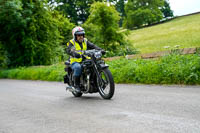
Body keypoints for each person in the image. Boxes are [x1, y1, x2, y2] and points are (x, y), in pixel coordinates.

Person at [66, 26, 105, 93]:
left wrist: (101, 50)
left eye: (82, 35)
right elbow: (68, 50)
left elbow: (93, 46)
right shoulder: (72, 42)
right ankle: (76, 86)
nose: (81, 36)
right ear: (75, 36)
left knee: (96, 63)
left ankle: (97, 81)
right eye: (79, 35)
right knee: (78, 67)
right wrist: (74, 54)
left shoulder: (85, 41)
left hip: (85, 59)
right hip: (75, 61)